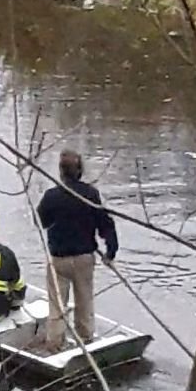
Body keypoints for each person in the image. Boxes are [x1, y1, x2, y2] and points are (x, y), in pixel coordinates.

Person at [37, 149, 118, 353]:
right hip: (84, 258)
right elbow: (106, 224)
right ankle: (87, 341)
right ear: (80, 170)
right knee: (85, 303)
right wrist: (110, 252)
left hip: (59, 259)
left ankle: (54, 344)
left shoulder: (51, 196)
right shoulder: (91, 195)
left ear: (61, 172)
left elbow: (43, 221)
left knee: (57, 307)